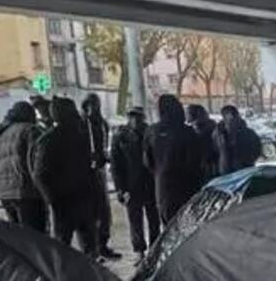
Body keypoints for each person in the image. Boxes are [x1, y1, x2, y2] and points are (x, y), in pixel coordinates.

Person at [31, 96, 99, 255]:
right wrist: (53, 199)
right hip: (65, 200)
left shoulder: (78, 135)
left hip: (80, 197)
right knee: (64, 246)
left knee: (83, 244)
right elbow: (40, 174)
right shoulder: (50, 140)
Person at [145, 94, 209, 223]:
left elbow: (147, 162)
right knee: (189, 229)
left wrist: (160, 172)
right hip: (187, 189)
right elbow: (196, 164)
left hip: (162, 189)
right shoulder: (188, 133)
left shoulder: (151, 131)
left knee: (168, 230)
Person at [0, 101, 47, 232]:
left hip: (3, 193)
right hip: (25, 191)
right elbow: (39, 160)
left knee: (18, 235)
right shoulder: (30, 130)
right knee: (35, 236)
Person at [110, 107, 159, 254]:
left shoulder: (151, 133)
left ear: (143, 117)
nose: (135, 120)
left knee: (154, 219)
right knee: (135, 220)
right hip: (131, 185)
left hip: (151, 184)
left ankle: (155, 249)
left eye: (138, 116)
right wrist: (120, 188)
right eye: (132, 116)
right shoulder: (121, 136)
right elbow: (115, 164)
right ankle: (139, 251)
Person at [80, 94, 120, 260]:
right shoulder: (82, 123)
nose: (96, 108)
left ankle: (102, 245)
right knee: (90, 213)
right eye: (92, 105)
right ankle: (91, 249)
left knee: (104, 212)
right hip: (86, 173)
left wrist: (105, 156)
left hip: (99, 171)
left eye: (97, 105)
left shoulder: (102, 123)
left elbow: (103, 145)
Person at [216, 105, 262, 175]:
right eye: (229, 115)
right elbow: (215, 149)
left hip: (245, 169)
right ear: (224, 117)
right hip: (225, 170)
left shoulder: (248, 132)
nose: (233, 118)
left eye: (235, 115)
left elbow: (257, 148)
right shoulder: (218, 133)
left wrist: (248, 160)